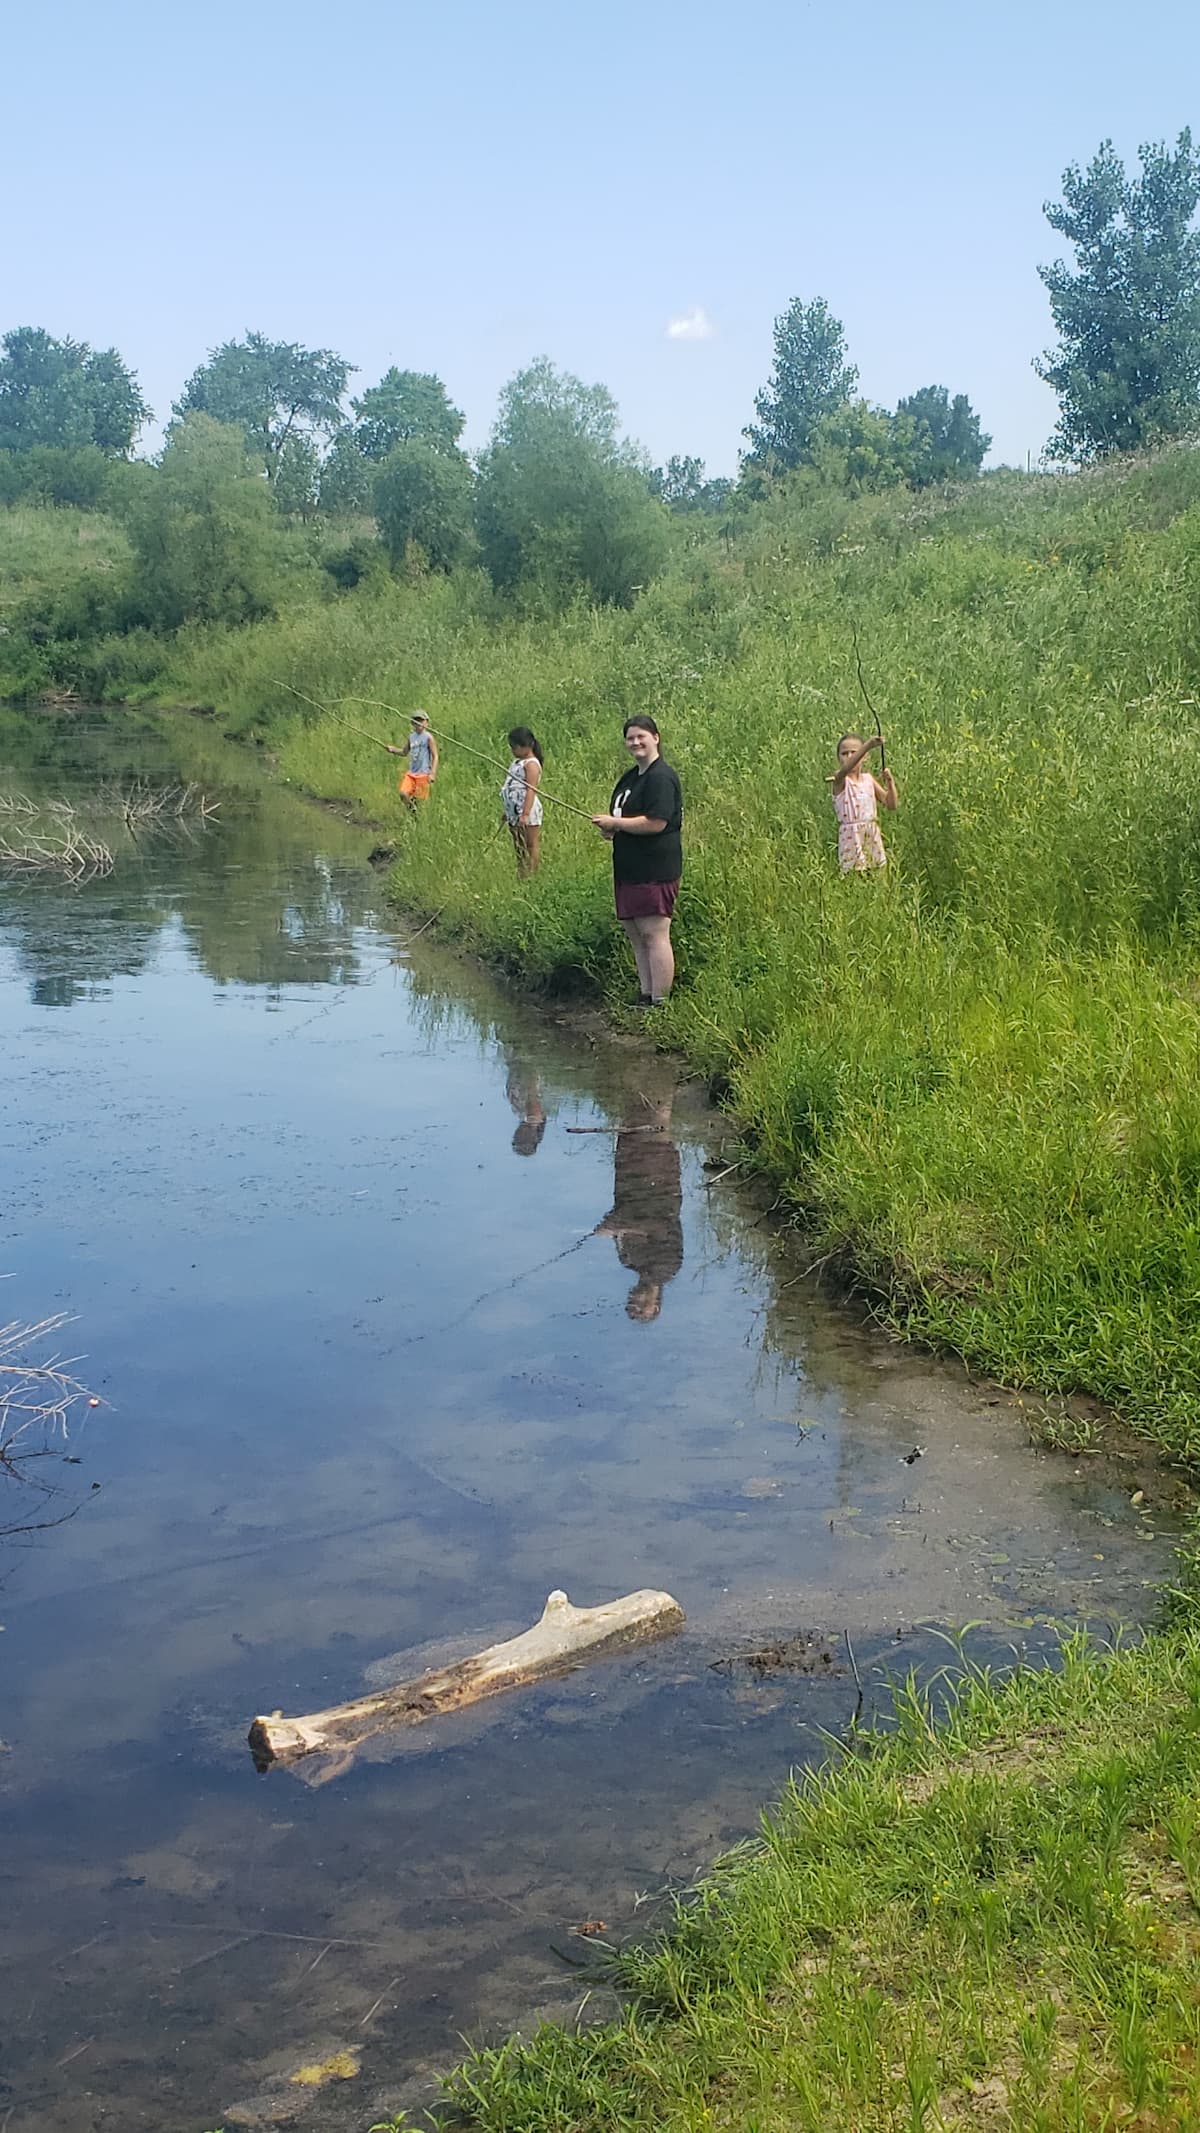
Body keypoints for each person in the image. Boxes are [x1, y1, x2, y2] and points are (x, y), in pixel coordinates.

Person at [591, 715, 683, 1007]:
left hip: (655, 868)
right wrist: (611, 827)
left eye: (641, 736)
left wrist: (617, 824)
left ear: (656, 737)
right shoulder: (630, 778)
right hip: (628, 868)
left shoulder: (661, 777)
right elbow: (623, 818)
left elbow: (656, 822)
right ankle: (645, 993)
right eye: (630, 738)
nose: (635, 742)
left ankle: (660, 1001)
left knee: (654, 933)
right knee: (636, 933)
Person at [593, 1097, 683, 1321]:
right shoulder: (667, 1267)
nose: (634, 1302)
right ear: (656, 1307)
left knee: (632, 1112)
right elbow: (662, 1225)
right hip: (658, 1177)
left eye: (631, 1306)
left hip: (628, 1173)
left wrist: (613, 1227)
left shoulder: (627, 1260)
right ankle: (658, 1076)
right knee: (654, 1111)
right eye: (641, 1308)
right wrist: (618, 1226)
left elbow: (622, 1222)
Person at [828, 732, 897, 871]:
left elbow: (891, 805)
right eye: (844, 753)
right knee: (854, 876)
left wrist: (890, 782)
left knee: (878, 874)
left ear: (865, 757)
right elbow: (846, 768)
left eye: (853, 752)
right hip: (851, 838)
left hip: (871, 834)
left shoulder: (868, 779)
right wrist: (868, 745)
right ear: (838, 758)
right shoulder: (840, 780)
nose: (849, 757)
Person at [500, 726, 544, 877]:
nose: (513, 750)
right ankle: (522, 874)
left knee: (530, 844)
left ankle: (533, 874)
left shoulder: (531, 764)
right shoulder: (517, 762)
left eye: (516, 747)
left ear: (527, 745)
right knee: (519, 845)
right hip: (513, 809)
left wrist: (525, 813)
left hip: (527, 808)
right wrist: (507, 810)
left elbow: (531, 789)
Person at [386, 710, 439, 810]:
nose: (418, 723)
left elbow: (435, 756)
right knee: (403, 794)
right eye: (415, 721)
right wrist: (393, 750)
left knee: (419, 801)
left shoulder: (428, 737)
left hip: (423, 774)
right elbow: (404, 752)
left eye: (421, 721)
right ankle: (412, 811)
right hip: (411, 773)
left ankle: (416, 818)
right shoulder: (411, 737)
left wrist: (432, 773)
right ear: (412, 723)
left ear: (426, 722)